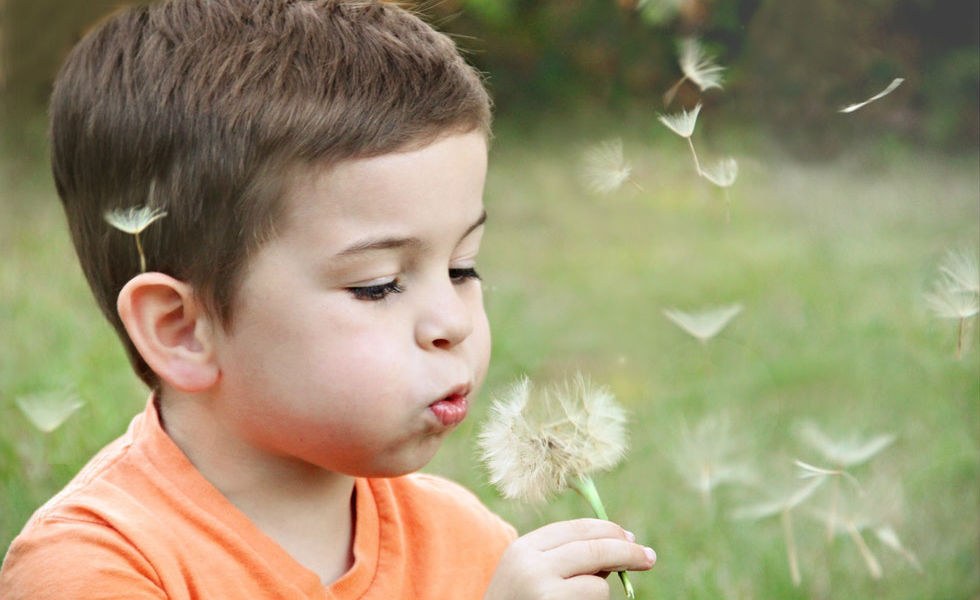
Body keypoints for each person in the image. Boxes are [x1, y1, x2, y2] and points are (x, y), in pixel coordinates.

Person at [0, 1, 656, 597]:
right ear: (183, 330)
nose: (452, 322)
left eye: (462, 268)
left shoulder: (468, 543)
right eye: (378, 285)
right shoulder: (92, 567)